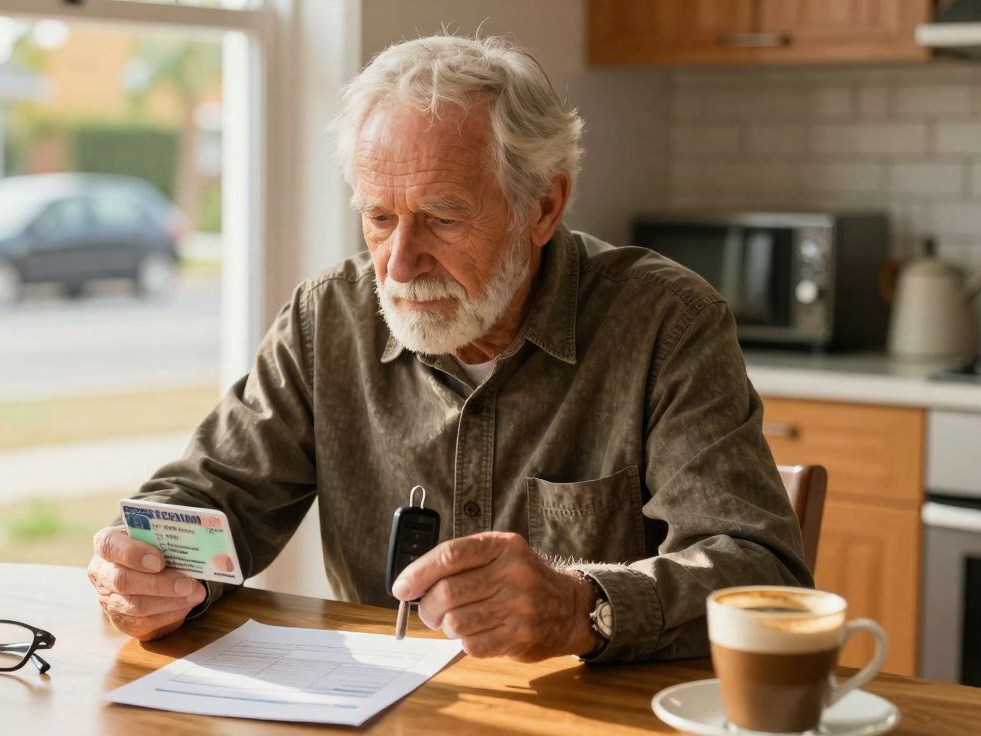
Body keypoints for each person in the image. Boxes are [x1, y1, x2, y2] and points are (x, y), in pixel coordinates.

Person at [86, 34, 810, 663]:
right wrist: (143, 570)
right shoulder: (325, 321)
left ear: (544, 206)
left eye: (441, 218)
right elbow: (207, 500)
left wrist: (580, 605)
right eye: (378, 217)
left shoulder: (667, 324)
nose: (399, 263)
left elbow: (761, 577)